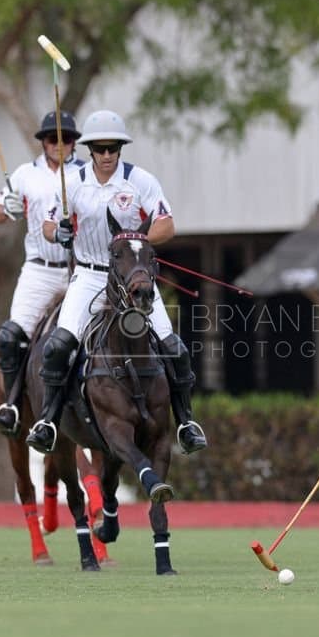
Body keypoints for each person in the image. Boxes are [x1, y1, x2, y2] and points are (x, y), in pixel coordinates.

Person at [24, 109, 208, 456]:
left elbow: (167, 225)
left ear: (121, 149)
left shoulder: (140, 181)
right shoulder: (73, 182)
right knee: (60, 345)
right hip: (90, 276)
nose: (107, 155)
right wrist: (59, 230)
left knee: (174, 348)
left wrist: (132, 240)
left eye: (113, 148)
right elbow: (48, 225)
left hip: (132, 277)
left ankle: (185, 423)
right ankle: (48, 420)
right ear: (89, 149)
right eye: (100, 148)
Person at [0, 110, 84, 436]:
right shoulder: (25, 174)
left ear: (74, 143)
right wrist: (10, 207)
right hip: (39, 272)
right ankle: (13, 405)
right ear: (43, 142)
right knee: (12, 338)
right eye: (53, 138)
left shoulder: (86, 174)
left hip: (80, 272)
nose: (59, 144)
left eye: (66, 139)